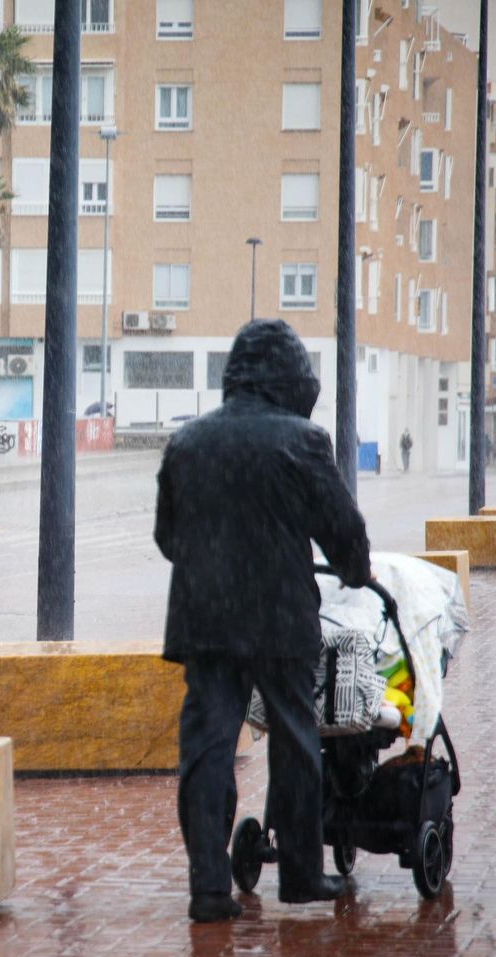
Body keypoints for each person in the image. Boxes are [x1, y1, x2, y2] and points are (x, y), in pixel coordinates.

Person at [155, 319, 371, 923]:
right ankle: (301, 875)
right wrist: (354, 570)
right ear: (291, 379)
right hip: (280, 618)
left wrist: (215, 567)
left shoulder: (189, 443)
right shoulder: (301, 441)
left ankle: (207, 886)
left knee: (208, 747)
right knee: (297, 743)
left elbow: (167, 535)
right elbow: (342, 529)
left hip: (206, 620)